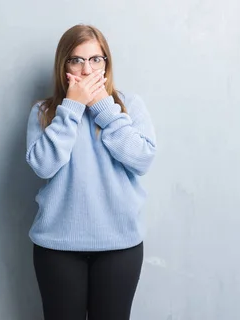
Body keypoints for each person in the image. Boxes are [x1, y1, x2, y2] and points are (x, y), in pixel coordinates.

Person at [25, 24, 157, 320]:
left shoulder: (130, 105)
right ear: (64, 66)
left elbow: (142, 159)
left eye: (96, 59)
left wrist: (105, 110)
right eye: (77, 60)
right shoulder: (44, 111)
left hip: (119, 244)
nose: (87, 70)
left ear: (106, 64)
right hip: (57, 246)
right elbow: (42, 165)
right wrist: (71, 107)